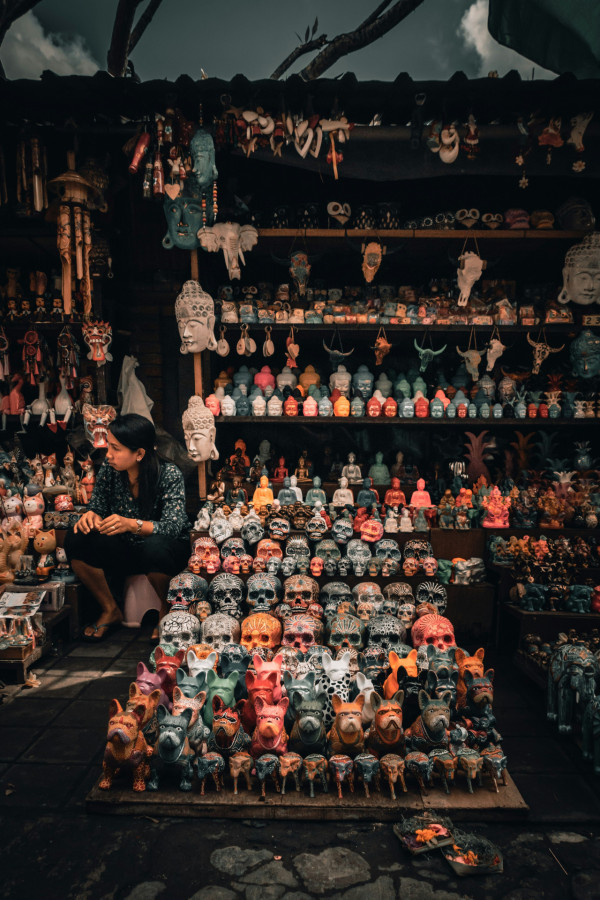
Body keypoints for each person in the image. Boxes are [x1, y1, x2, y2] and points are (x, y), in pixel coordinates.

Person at [64, 414, 190, 641]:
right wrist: (90, 516)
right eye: (109, 446)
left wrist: (132, 525)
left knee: (155, 547)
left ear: (139, 454)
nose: (109, 455)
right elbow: (98, 508)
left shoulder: (168, 475)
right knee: (77, 538)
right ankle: (110, 608)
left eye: (116, 448)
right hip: (126, 551)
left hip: (164, 556)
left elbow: (173, 527)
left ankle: (166, 609)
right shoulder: (110, 471)